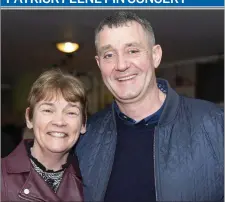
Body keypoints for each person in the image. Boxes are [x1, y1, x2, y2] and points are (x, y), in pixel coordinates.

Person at [76, 11, 224, 202]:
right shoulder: (85, 137)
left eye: (133, 50)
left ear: (155, 55)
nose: (121, 65)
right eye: (109, 54)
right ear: (99, 63)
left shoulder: (215, 125)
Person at [2, 69, 87, 202]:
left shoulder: (94, 182)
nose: (59, 121)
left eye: (71, 112)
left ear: (83, 124)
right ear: (29, 118)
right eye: (48, 110)